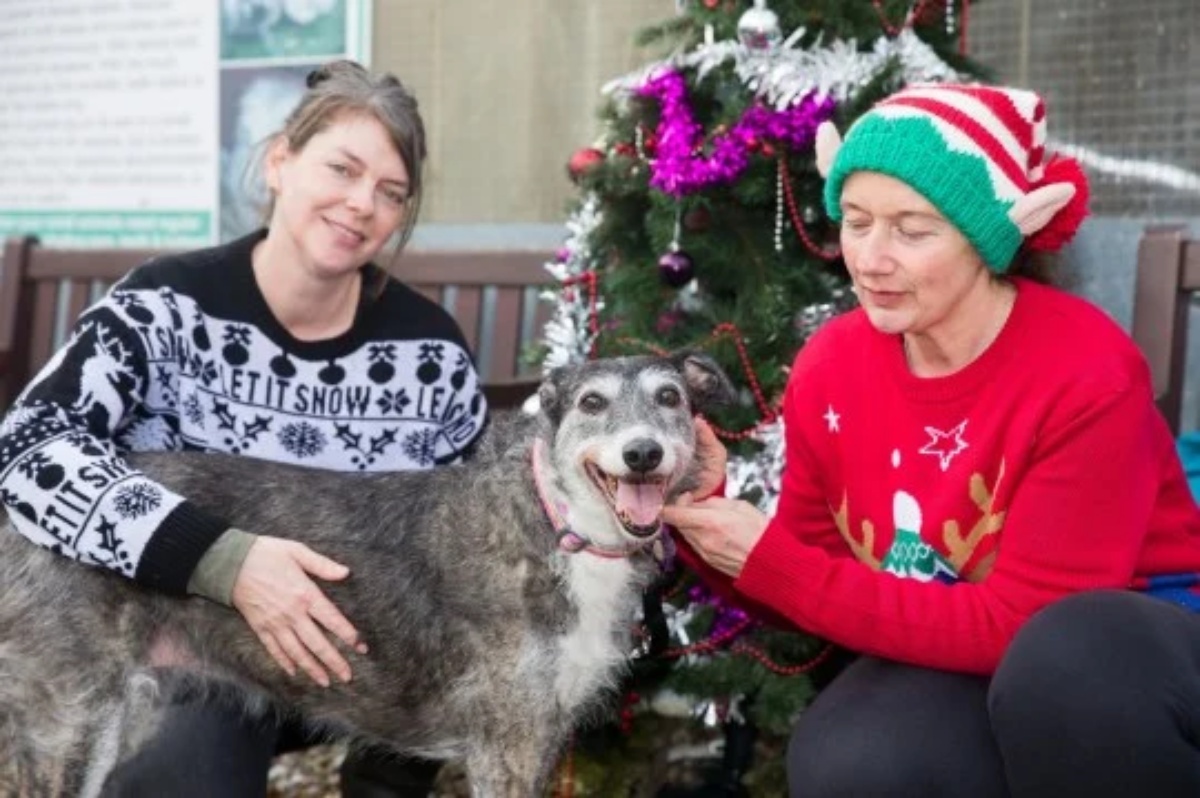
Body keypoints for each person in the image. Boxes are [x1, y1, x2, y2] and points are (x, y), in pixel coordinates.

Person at [663, 83, 1200, 797]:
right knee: (854, 755)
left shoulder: (1085, 374)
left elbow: (1021, 624)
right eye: (855, 222)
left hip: (1134, 657)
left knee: (1066, 664)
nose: (872, 258)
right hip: (976, 648)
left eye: (913, 230)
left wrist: (780, 565)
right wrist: (710, 523)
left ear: (987, 238)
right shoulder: (832, 366)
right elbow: (810, 572)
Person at [0, 60, 486, 796]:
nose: (362, 205)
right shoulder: (167, 307)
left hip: (369, 662)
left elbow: (475, 516)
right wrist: (220, 562)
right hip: (198, 649)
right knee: (191, 767)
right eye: (343, 170)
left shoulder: (429, 353)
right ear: (279, 162)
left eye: (391, 194)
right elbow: (30, 449)